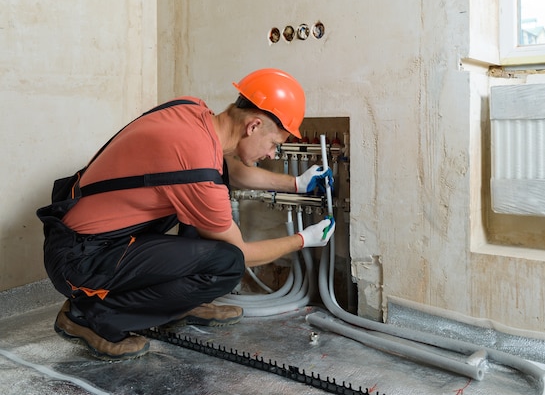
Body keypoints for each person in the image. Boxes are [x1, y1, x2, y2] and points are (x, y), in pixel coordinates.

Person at [38, 68, 335, 361]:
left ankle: (181, 304)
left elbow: (224, 170)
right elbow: (243, 253)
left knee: (207, 205)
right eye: (274, 144)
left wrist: (297, 184)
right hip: (80, 259)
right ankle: (91, 317)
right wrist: (303, 239)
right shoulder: (195, 166)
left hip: (93, 237)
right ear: (253, 126)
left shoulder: (193, 112)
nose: (272, 154)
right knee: (228, 263)